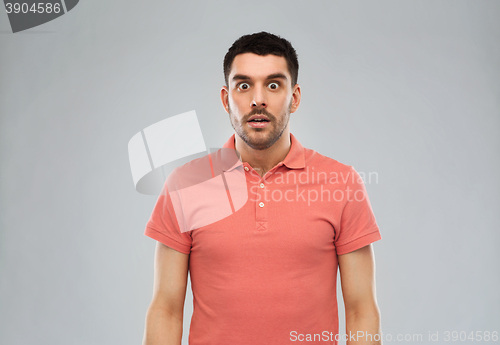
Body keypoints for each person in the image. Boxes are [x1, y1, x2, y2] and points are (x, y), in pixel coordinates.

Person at [142, 31, 382, 345]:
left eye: (273, 84)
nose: (258, 99)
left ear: (294, 98)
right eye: (244, 85)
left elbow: (361, 308)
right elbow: (167, 307)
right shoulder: (185, 185)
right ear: (227, 99)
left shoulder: (342, 183)